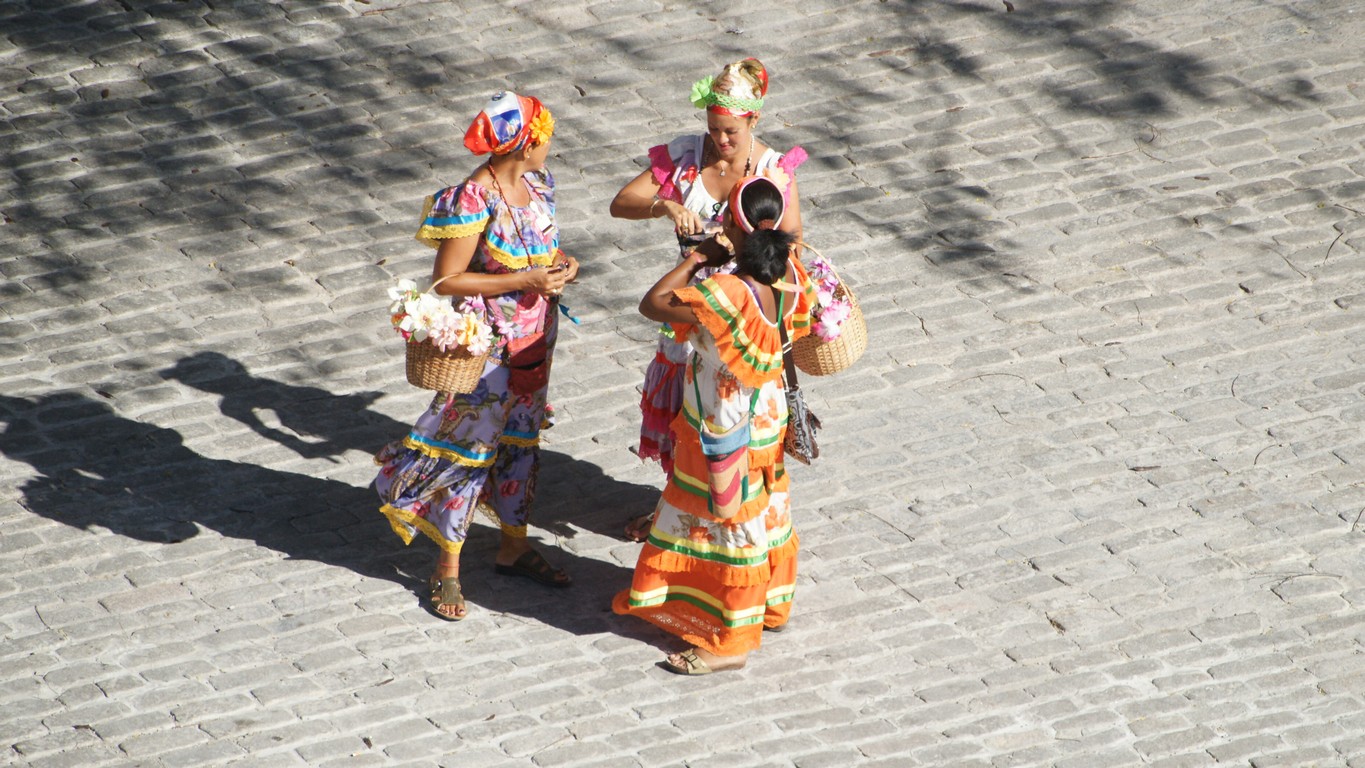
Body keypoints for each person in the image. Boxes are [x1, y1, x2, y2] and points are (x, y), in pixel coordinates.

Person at [374, 91, 579, 621]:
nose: (551, 144)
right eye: (546, 134)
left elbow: (541, 247)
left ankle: (512, 544)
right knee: (469, 449)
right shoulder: (471, 199)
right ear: (526, 142)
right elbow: (447, 280)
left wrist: (559, 266)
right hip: (486, 347)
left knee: (521, 443)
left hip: (535, 341)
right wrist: (524, 278)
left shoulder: (538, 186)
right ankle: (447, 568)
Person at [612, 175, 816, 675]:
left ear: (734, 228)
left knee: (731, 525)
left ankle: (730, 640)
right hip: (766, 419)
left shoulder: (726, 292)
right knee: (765, 510)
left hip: (723, 428)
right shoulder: (791, 275)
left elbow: (653, 303)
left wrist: (697, 258)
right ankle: (769, 605)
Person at [609, 58, 808, 541]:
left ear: (753, 121)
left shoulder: (771, 171)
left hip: (739, 313)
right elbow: (621, 204)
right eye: (714, 129)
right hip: (686, 313)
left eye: (732, 131)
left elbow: (793, 244)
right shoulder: (685, 158)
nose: (721, 141)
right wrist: (667, 204)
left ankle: (736, 515)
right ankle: (676, 506)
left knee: (732, 420)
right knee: (684, 412)